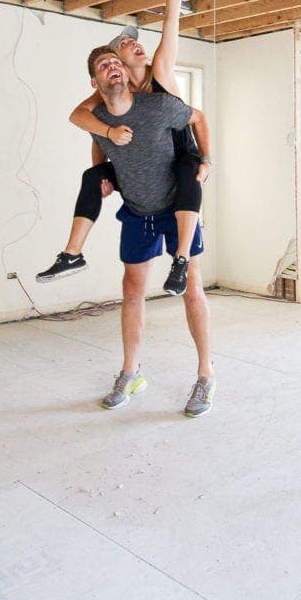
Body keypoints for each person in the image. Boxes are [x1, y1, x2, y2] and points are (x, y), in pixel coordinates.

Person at [36, 0, 212, 296]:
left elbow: (171, 21)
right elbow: (86, 120)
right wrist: (101, 172)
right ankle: (72, 254)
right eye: (125, 44)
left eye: (134, 42)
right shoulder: (116, 94)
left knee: (188, 169)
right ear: (116, 61)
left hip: (180, 160)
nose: (135, 44)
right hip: (143, 175)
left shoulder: (158, 71)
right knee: (91, 177)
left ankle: (181, 260)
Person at [85, 44, 215, 418]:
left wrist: (206, 160)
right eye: (104, 64)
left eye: (116, 61)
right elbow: (97, 144)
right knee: (132, 289)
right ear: (96, 79)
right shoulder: (98, 115)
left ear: (126, 71)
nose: (113, 66)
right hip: (138, 210)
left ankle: (206, 374)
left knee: (191, 285)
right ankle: (130, 372)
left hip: (176, 207)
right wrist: (104, 175)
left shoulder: (158, 102)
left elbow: (198, 118)